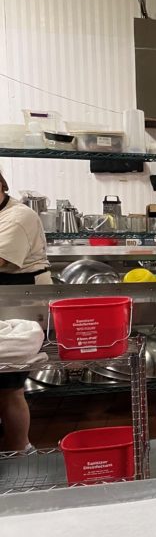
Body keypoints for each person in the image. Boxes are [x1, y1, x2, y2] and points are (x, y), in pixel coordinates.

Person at [0, 171, 51, 453]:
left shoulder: (18, 217)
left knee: (9, 382)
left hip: (19, 298)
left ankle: (20, 448)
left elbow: (2, 258)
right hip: (7, 296)